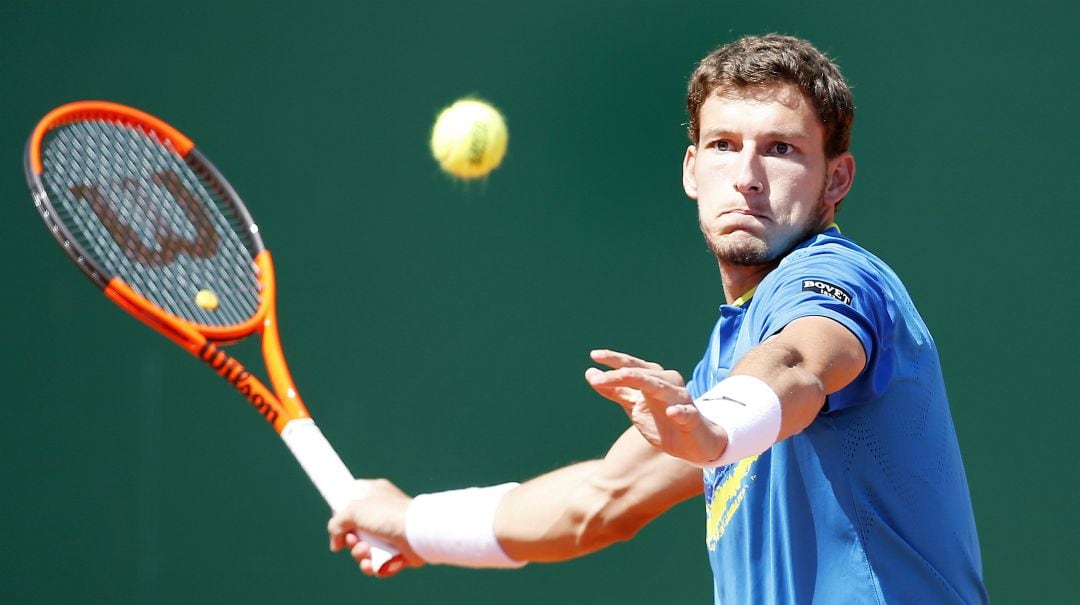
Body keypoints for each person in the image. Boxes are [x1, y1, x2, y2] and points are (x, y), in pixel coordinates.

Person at [327, 34, 987, 603]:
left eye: (782, 149)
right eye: (724, 145)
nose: (748, 175)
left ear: (835, 179)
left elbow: (800, 363)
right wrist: (413, 521)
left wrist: (715, 426)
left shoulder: (841, 280)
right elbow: (601, 500)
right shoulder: (720, 371)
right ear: (692, 170)